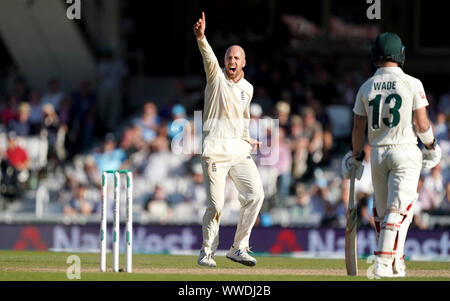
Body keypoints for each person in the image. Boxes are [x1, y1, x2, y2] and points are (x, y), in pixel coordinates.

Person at [342, 32, 441, 278]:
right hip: (404, 149)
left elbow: (357, 127)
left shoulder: (366, 86)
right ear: (401, 53)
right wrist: (431, 145)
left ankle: (395, 260)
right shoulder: (412, 83)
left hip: (377, 153)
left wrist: (356, 156)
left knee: (386, 211)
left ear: (375, 55)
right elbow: (421, 123)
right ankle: (383, 263)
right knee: (399, 209)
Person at [193, 12, 264, 267]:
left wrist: (248, 138)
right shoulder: (216, 78)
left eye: (236, 58)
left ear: (244, 62)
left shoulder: (248, 88)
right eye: (228, 57)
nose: (231, 61)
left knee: (255, 194)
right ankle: (207, 251)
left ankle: (238, 247)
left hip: (238, 149)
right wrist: (202, 37)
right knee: (216, 204)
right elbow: (208, 57)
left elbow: (243, 118)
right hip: (214, 149)